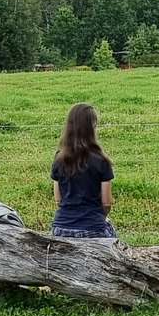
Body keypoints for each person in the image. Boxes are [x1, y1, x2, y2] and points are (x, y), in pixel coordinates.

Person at [50, 102, 116, 239]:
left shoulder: (59, 158)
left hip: (60, 227)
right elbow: (106, 203)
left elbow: (58, 198)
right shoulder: (101, 160)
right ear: (92, 127)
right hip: (92, 228)